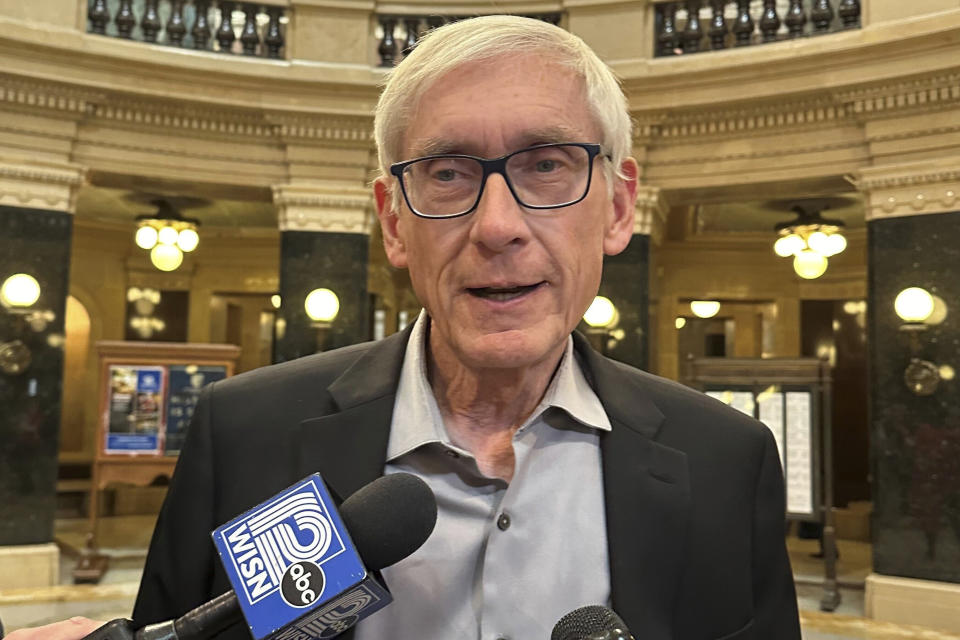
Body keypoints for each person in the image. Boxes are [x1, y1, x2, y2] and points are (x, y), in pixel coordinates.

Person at [10, 15, 800, 640]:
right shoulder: (245, 433)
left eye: (547, 164)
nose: (498, 226)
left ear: (619, 207)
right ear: (393, 223)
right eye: (449, 172)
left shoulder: (727, 461)